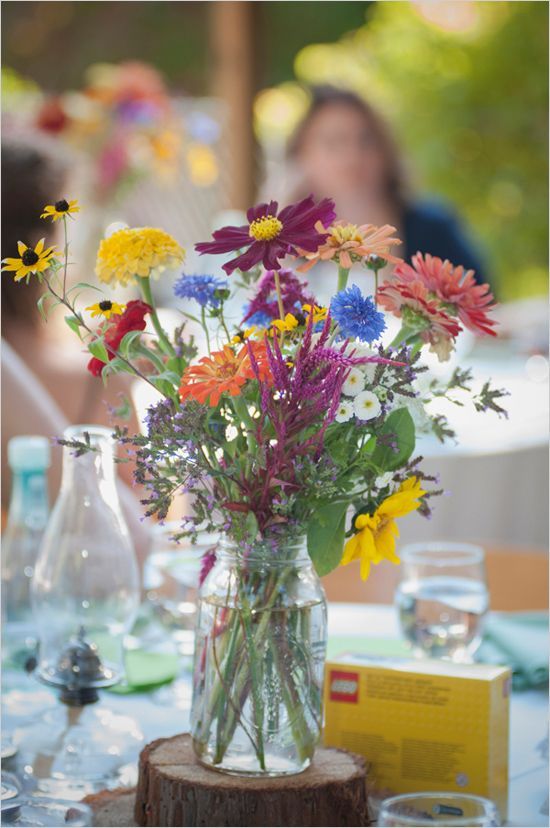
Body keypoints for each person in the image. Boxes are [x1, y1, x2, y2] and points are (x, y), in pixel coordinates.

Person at [285, 86, 487, 286]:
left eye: (366, 141)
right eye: (333, 143)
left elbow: (484, 303)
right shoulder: (291, 245)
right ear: (301, 156)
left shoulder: (431, 228)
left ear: (386, 151)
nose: (352, 157)